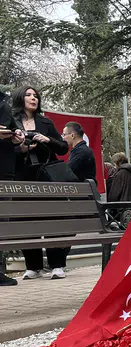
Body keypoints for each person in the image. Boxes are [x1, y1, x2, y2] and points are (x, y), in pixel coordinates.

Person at [12, 86, 71, 280]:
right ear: (20, 98)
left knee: (53, 220)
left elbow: (63, 148)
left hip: (46, 177)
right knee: (26, 222)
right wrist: (21, 149)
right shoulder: (11, 121)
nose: (33, 98)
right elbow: (4, 151)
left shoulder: (45, 122)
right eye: (28, 95)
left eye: (35, 95)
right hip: (22, 178)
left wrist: (47, 139)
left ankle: (57, 265)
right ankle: (33, 266)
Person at [0, 90, 24, 286]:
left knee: (2, 222)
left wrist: (17, 135)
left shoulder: (3, 102)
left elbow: (13, 128)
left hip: (5, 169)